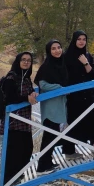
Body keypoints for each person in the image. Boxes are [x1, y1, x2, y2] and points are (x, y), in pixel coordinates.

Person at [0, 51, 37, 184]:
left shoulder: (26, 78)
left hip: (24, 120)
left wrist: (32, 93)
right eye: (23, 59)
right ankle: (8, 181)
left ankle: (16, 177)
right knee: (13, 152)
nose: (26, 62)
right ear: (18, 61)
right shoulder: (11, 78)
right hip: (14, 120)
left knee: (27, 149)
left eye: (29, 60)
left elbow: (29, 93)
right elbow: (9, 98)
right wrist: (26, 98)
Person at [34, 40, 70, 172]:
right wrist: (60, 88)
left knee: (53, 135)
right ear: (49, 51)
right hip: (50, 106)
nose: (57, 50)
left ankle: (48, 162)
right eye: (53, 48)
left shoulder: (61, 65)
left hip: (59, 104)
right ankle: (42, 166)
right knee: (49, 136)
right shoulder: (46, 66)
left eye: (59, 47)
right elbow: (42, 84)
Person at [63, 30, 94, 158]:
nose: (82, 41)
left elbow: (93, 74)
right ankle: (69, 151)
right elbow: (65, 75)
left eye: (84, 39)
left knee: (93, 119)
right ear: (74, 40)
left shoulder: (87, 56)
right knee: (73, 121)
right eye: (79, 39)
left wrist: (86, 63)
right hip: (74, 95)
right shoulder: (67, 56)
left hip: (88, 94)